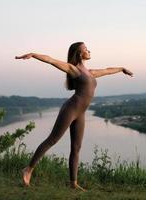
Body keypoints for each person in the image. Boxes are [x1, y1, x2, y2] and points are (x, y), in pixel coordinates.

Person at [15, 42, 133, 191]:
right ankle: (28, 169)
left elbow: (107, 70)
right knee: (52, 139)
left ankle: (73, 183)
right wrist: (33, 55)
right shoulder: (74, 70)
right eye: (86, 49)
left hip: (81, 113)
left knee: (76, 147)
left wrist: (122, 69)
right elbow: (51, 60)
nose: (89, 51)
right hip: (70, 109)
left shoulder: (90, 72)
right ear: (79, 53)